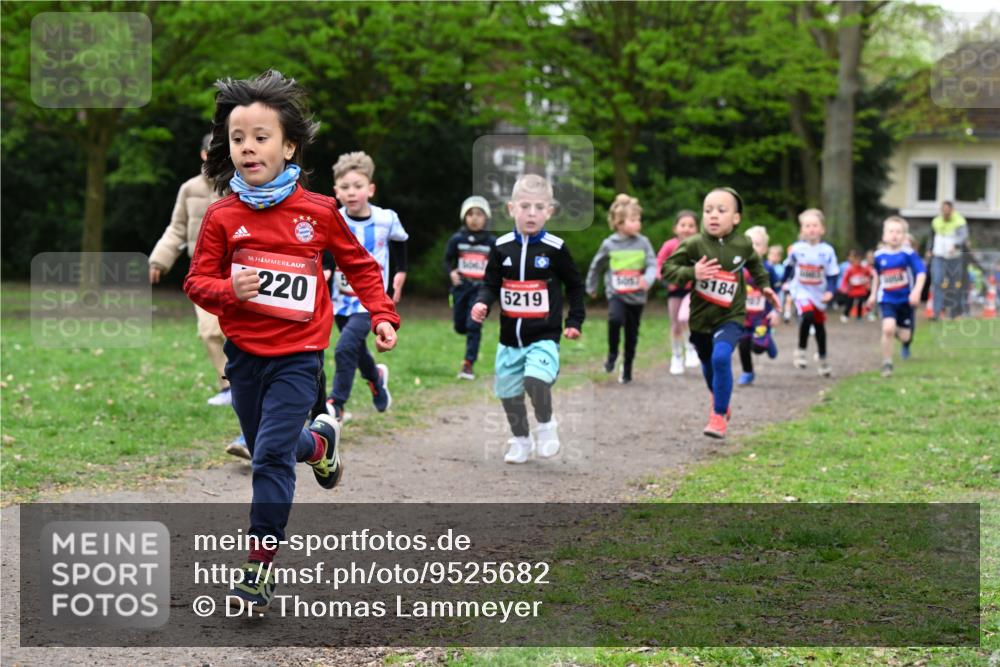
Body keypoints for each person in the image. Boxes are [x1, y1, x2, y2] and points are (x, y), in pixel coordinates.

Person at [184, 70, 400, 612]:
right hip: (246, 357)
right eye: (237, 139)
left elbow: (361, 266)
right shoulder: (222, 216)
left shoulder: (319, 212)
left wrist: (382, 314)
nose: (247, 148)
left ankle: (258, 571)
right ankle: (320, 445)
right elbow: (196, 283)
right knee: (269, 447)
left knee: (270, 457)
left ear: (289, 145)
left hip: (300, 356)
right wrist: (228, 289)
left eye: (260, 137)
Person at [149, 134, 253, 457]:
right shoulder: (189, 189)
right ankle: (228, 387)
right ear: (204, 154)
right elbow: (176, 229)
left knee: (240, 335)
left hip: (237, 273)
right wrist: (158, 260)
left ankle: (249, 387)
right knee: (209, 330)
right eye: (214, 152)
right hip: (203, 275)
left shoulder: (239, 185)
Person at [471, 174, 585, 463]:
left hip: (544, 337)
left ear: (550, 211)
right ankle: (521, 441)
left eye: (538, 207)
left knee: (535, 381)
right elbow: (490, 284)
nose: (531, 213)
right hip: (509, 340)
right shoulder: (501, 247)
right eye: (524, 206)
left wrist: (574, 321)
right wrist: (482, 303)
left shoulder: (556, 249)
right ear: (511, 209)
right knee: (509, 395)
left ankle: (547, 426)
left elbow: (574, 285)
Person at [662, 188, 780, 439]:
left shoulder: (743, 244)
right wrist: (693, 274)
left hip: (732, 316)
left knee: (721, 357)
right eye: (708, 210)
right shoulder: (694, 244)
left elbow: (756, 266)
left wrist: (765, 286)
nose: (713, 216)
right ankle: (720, 400)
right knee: (708, 364)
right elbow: (667, 269)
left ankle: (717, 417)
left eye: (721, 210)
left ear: (736, 218)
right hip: (701, 319)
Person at [321, 151, 408, 421]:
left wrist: (400, 273)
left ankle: (336, 404)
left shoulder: (386, 218)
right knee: (356, 349)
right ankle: (376, 377)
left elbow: (400, 241)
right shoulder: (333, 218)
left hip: (370, 300)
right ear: (336, 191)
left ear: (370, 189)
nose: (351, 192)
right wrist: (325, 270)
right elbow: (325, 250)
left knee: (344, 348)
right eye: (345, 187)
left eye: (358, 186)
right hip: (339, 299)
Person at [586, 194, 657, 384]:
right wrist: (591, 286)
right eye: (633, 220)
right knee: (615, 319)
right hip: (616, 293)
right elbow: (597, 265)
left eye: (638, 219)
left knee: (632, 334)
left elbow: (652, 264)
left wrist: (647, 279)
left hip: (637, 296)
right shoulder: (609, 244)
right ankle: (612, 354)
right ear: (619, 223)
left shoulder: (644, 242)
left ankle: (627, 368)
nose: (638, 224)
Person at [866, 216, 926, 377]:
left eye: (899, 232)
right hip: (887, 299)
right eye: (891, 231)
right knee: (888, 329)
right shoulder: (879, 256)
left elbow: (921, 273)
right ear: (884, 235)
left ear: (904, 236)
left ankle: (904, 342)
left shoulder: (908, 254)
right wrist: (872, 295)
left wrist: (916, 291)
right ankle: (887, 363)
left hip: (906, 300)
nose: (894, 235)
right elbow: (877, 277)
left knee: (906, 336)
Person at [444, 196, 496, 380]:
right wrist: (451, 273)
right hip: (462, 288)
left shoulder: (491, 242)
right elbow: (447, 260)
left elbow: (498, 266)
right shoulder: (457, 239)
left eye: (479, 214)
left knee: (474, 325)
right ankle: (468, 330)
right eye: (470, 214)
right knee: (461, 326)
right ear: (464, 217)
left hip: (481, 290)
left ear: (486, 217)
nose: (475, 218)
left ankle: (468, 364)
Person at [787, 208, 839, 377]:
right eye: (807, 225)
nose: (811, 229)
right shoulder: (796, 249)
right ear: (802, 230)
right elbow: (789, 266)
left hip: (819, 293)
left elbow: (832, 274)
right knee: (807, 315)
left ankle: (823, 359)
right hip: (800, 290)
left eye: (815, 225)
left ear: (822, 229)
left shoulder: (827, 251)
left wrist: (830, 292)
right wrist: (784, 283)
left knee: (819, 326)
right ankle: (801, 350)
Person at [655, 210, 701, 374]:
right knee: (675, 325)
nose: (687, 229)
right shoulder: (669, 245)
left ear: (697, 229)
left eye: (691, 226)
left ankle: (690, 349)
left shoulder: (699, 245)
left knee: (685, 317)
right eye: (683, 225)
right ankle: (676, 357)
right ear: (676, 228)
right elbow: (659, 262)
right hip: (674, 289)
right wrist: (661, 275)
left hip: (693, 289)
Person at [736, 226, 781, 386]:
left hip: (762, 317)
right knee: (742, 344)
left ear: (765, 249)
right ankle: (747, 372)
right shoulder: (738, 267)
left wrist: (776, 311)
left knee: (757, 347)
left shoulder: (768, 269)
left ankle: (767, 341)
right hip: (743, 315)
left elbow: (777, 290)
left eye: (757, 244)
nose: (753, 248)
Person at [927, 201, 968, 320]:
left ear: (951, 210)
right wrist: (929, 249)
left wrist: (955, 245)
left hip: (954, 258)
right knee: (937, 282)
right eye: (943, 210)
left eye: (947, 210)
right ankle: (937, 313)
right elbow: (932, 236)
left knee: (954, 284)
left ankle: (954, 313)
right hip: (938, 256)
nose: (945, 212)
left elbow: (963, 236)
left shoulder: (959, 221)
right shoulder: (936, 221)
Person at [838, 249, 874, 322]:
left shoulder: (864, 269)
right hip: (852, 290)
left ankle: (859, 316)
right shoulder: (850, 269)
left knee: (860, 303)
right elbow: (845, 279)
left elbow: (870, 275)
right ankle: (846, 315)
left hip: (861, 290)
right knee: (849, 303)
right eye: (856, 260)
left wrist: (867, 282)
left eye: (859, 260)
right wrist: (844, 287)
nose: (857, 262)